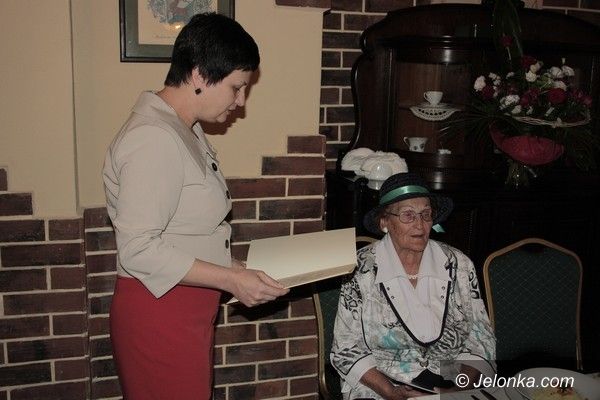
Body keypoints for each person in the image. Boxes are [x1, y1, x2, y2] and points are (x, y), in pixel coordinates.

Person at [102, 13, 289, 400]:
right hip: (160, 311)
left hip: (184, 307)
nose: (240, 102)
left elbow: (184, 230)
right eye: (237, 87)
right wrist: (231, 280)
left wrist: (233, 267)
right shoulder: (153, 137)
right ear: (200, 74)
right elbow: (138, 249)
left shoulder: (184, 127)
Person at [330, 172, 496, 400]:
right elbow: (346, 348)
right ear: (384, 222)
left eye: (425, 214)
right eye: (408, 215)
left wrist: (456, 391)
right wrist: (390, 392)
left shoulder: (458, 264)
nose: (420, 224)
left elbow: (481, 339)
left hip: (451, 380)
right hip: (381, 383)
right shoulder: (361, 269)